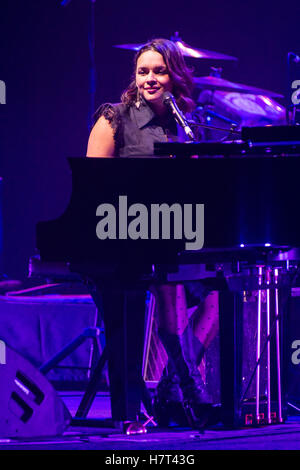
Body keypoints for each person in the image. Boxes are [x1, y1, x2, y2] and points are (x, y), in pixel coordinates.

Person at [86, 38, 219, 427]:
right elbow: (92, 186)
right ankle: (191, 389)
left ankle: (168, 389)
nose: (149, 78)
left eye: (158, 70)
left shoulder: (184, 125)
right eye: (143, 71)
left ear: (174, 75)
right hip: (122, 232)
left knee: (221, 288)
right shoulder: (115, 117)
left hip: (174, 230)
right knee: (168, 272)